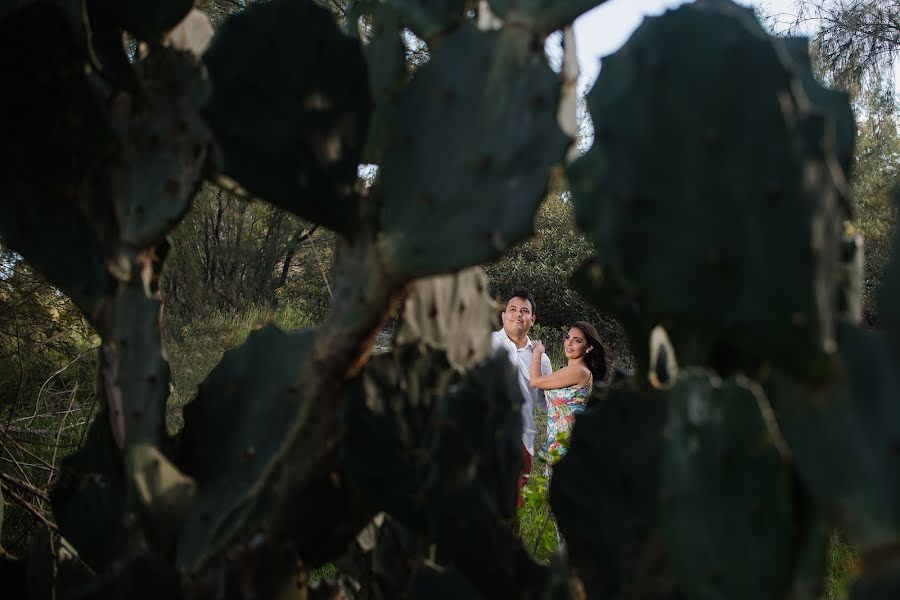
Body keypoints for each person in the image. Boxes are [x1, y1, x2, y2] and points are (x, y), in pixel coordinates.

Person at [490, 287, 552, 503]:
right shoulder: (486, 344)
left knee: (511, 509)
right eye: (513, 309)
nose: (518, 314)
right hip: (485, 435)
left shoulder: (541, 359)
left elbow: (550, 404)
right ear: (503, 315)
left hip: (522, 440)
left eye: (524, 311)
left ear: (532, 319)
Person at [530, 320, 609, 460]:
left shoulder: (579, 372)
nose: (569, 343)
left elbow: (535, 381)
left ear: (589, 347)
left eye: (577, 340)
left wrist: (537, 353)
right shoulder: (571, 371)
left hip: (568, 446)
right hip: (557, 443)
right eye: (568, 338)